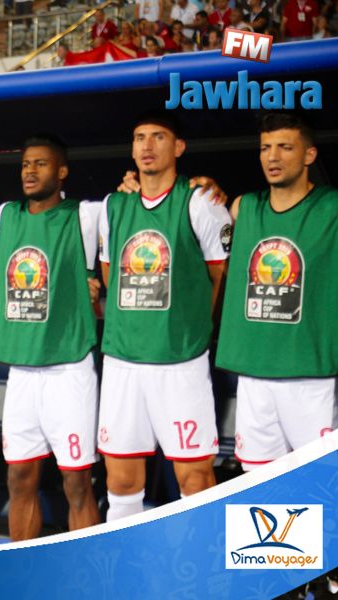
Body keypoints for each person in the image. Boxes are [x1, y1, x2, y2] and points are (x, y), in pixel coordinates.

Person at [97, 113, 231, 521]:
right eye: (139, 137)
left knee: (195, 479)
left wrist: (190, 324)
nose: (147, 145)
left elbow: (219, 274)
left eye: (158, 136)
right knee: (121, 482)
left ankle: (201, 562)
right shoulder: (113, 205)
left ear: (179, 147)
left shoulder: (201, 203)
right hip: (123, 361)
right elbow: (110, 274)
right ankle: (125, 560)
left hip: (180, 362)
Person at [0, 136, 102, 540]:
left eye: (41, 164)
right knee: (19, 478)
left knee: (76, 483)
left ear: (62, 171)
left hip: (68, 369)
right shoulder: (4, 216)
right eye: (25, 164)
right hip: (22, 371)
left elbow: (140, 209)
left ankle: (87, 569)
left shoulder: (85, 215)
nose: (30, 171)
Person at [216, 113, 337, 469]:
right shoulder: (243, 208)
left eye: (285, 147)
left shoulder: (331, 207)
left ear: (309, 155)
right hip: (253, 373)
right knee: (259, 486)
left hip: (310, 376)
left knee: (319, 484)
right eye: (265, 147)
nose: (272, 156)